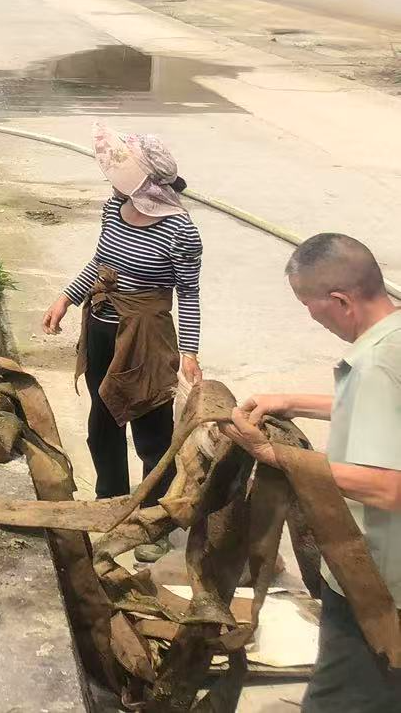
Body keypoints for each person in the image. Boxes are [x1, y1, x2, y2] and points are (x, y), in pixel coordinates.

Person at [223, 233, 401, 709]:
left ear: (340, 300)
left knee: (340, 699)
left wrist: (275, 456)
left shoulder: (374, 367)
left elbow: (388, 488)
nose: (310, 317)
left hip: (379, 582)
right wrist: (294, 401)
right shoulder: (395, 339)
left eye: (308, 304)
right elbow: (377, 410)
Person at [42, 124, 203, 560]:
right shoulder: (115, 207)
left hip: (147, 336)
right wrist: (66, 297)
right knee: (103, 420)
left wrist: (189, 351)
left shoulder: (181, 231)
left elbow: (188, 293)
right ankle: (111, 501)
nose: (113, 178)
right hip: (101, 326)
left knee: (151, 429)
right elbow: (101, 261)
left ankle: (152, 520)